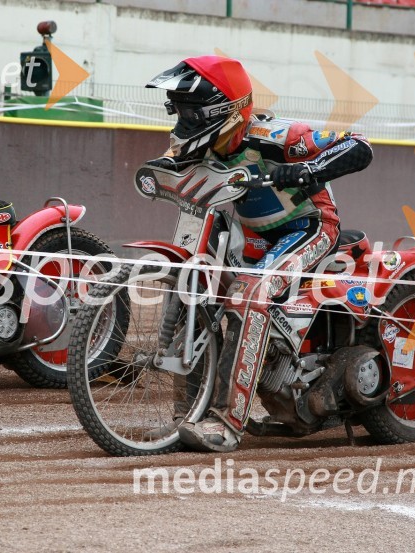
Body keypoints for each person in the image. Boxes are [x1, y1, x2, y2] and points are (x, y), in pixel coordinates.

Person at [145, 56, 373, 452]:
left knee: (248, 295)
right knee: (196, 285)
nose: (181, 121)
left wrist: (310, 170)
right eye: (177, 111)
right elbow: (171, 166)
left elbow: (359, 145)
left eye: (189, 112)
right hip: (252, 236)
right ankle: (184, 420)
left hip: (310, 227)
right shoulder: (192, 143)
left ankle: (227, 424)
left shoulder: (277, 135)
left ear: (221, 110)